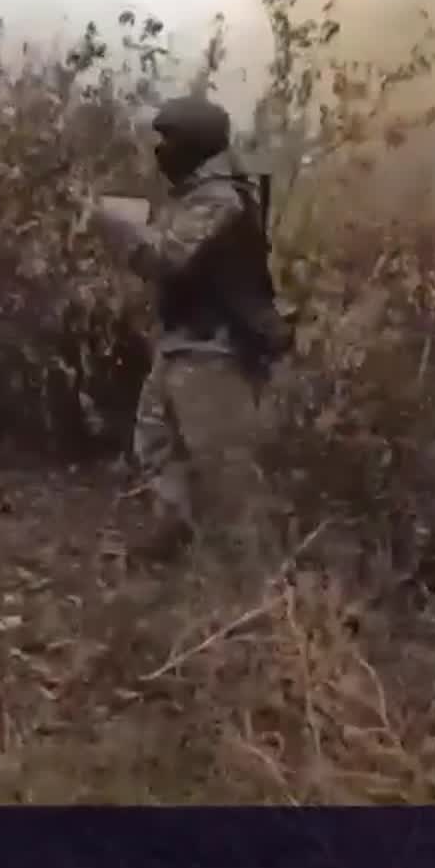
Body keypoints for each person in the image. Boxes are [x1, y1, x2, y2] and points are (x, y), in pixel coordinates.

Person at [85, 94, 292, 555]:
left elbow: (167, 258)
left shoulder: (220, 199)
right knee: (156, 443)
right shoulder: (200, 195)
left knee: (224, 467)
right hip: (185, 343)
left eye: (168, 139)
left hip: (213, 349)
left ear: (195, 142)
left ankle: (255, 577)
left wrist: (112, 224)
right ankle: (177, 537)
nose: (160, 150)